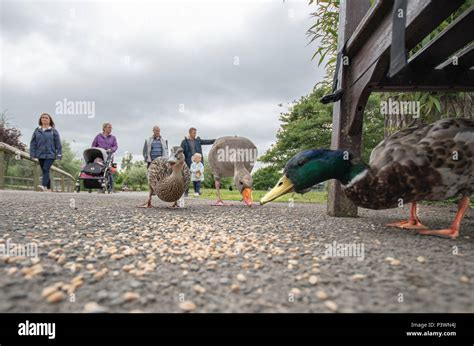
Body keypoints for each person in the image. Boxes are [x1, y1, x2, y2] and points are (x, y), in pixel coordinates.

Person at [30, 113, 62, 192]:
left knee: (45, 168)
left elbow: (58, 144)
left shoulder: (53, 131)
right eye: (43, 118)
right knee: (45, 171)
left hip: (51, 154)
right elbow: (33, 143)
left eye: (46, 118)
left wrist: (59, 154)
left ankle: (43, 186)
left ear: (50, 120)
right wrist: (32, 153)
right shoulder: (37, 130)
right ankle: (49, 188)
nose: (44, 119)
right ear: (40, 120)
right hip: (40, 154)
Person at [180, 127, 215, 196]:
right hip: (188, 161)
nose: (195, 134)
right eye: (194, 133)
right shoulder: (184, 142)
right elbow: (181, 152)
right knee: (187, 177)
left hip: (198, 163)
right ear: (190, 133)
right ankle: (186, 192)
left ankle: (197, 191)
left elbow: (206, 141)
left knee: (198, 177)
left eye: (195, 133)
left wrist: (216, 140)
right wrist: (181, 161)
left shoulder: (198, 140)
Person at [91, 123, 118, 191]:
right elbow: (93, 145)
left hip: (109, 155)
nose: (110, 129)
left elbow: (115, 146)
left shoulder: (113, 138)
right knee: (99, 168)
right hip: (100, 155)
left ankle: (111, 188)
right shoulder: (98, 136)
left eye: (111, 128)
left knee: (109, 169)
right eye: (109, 127)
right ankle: (99, 185)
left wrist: (111, 149)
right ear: (104, 128)